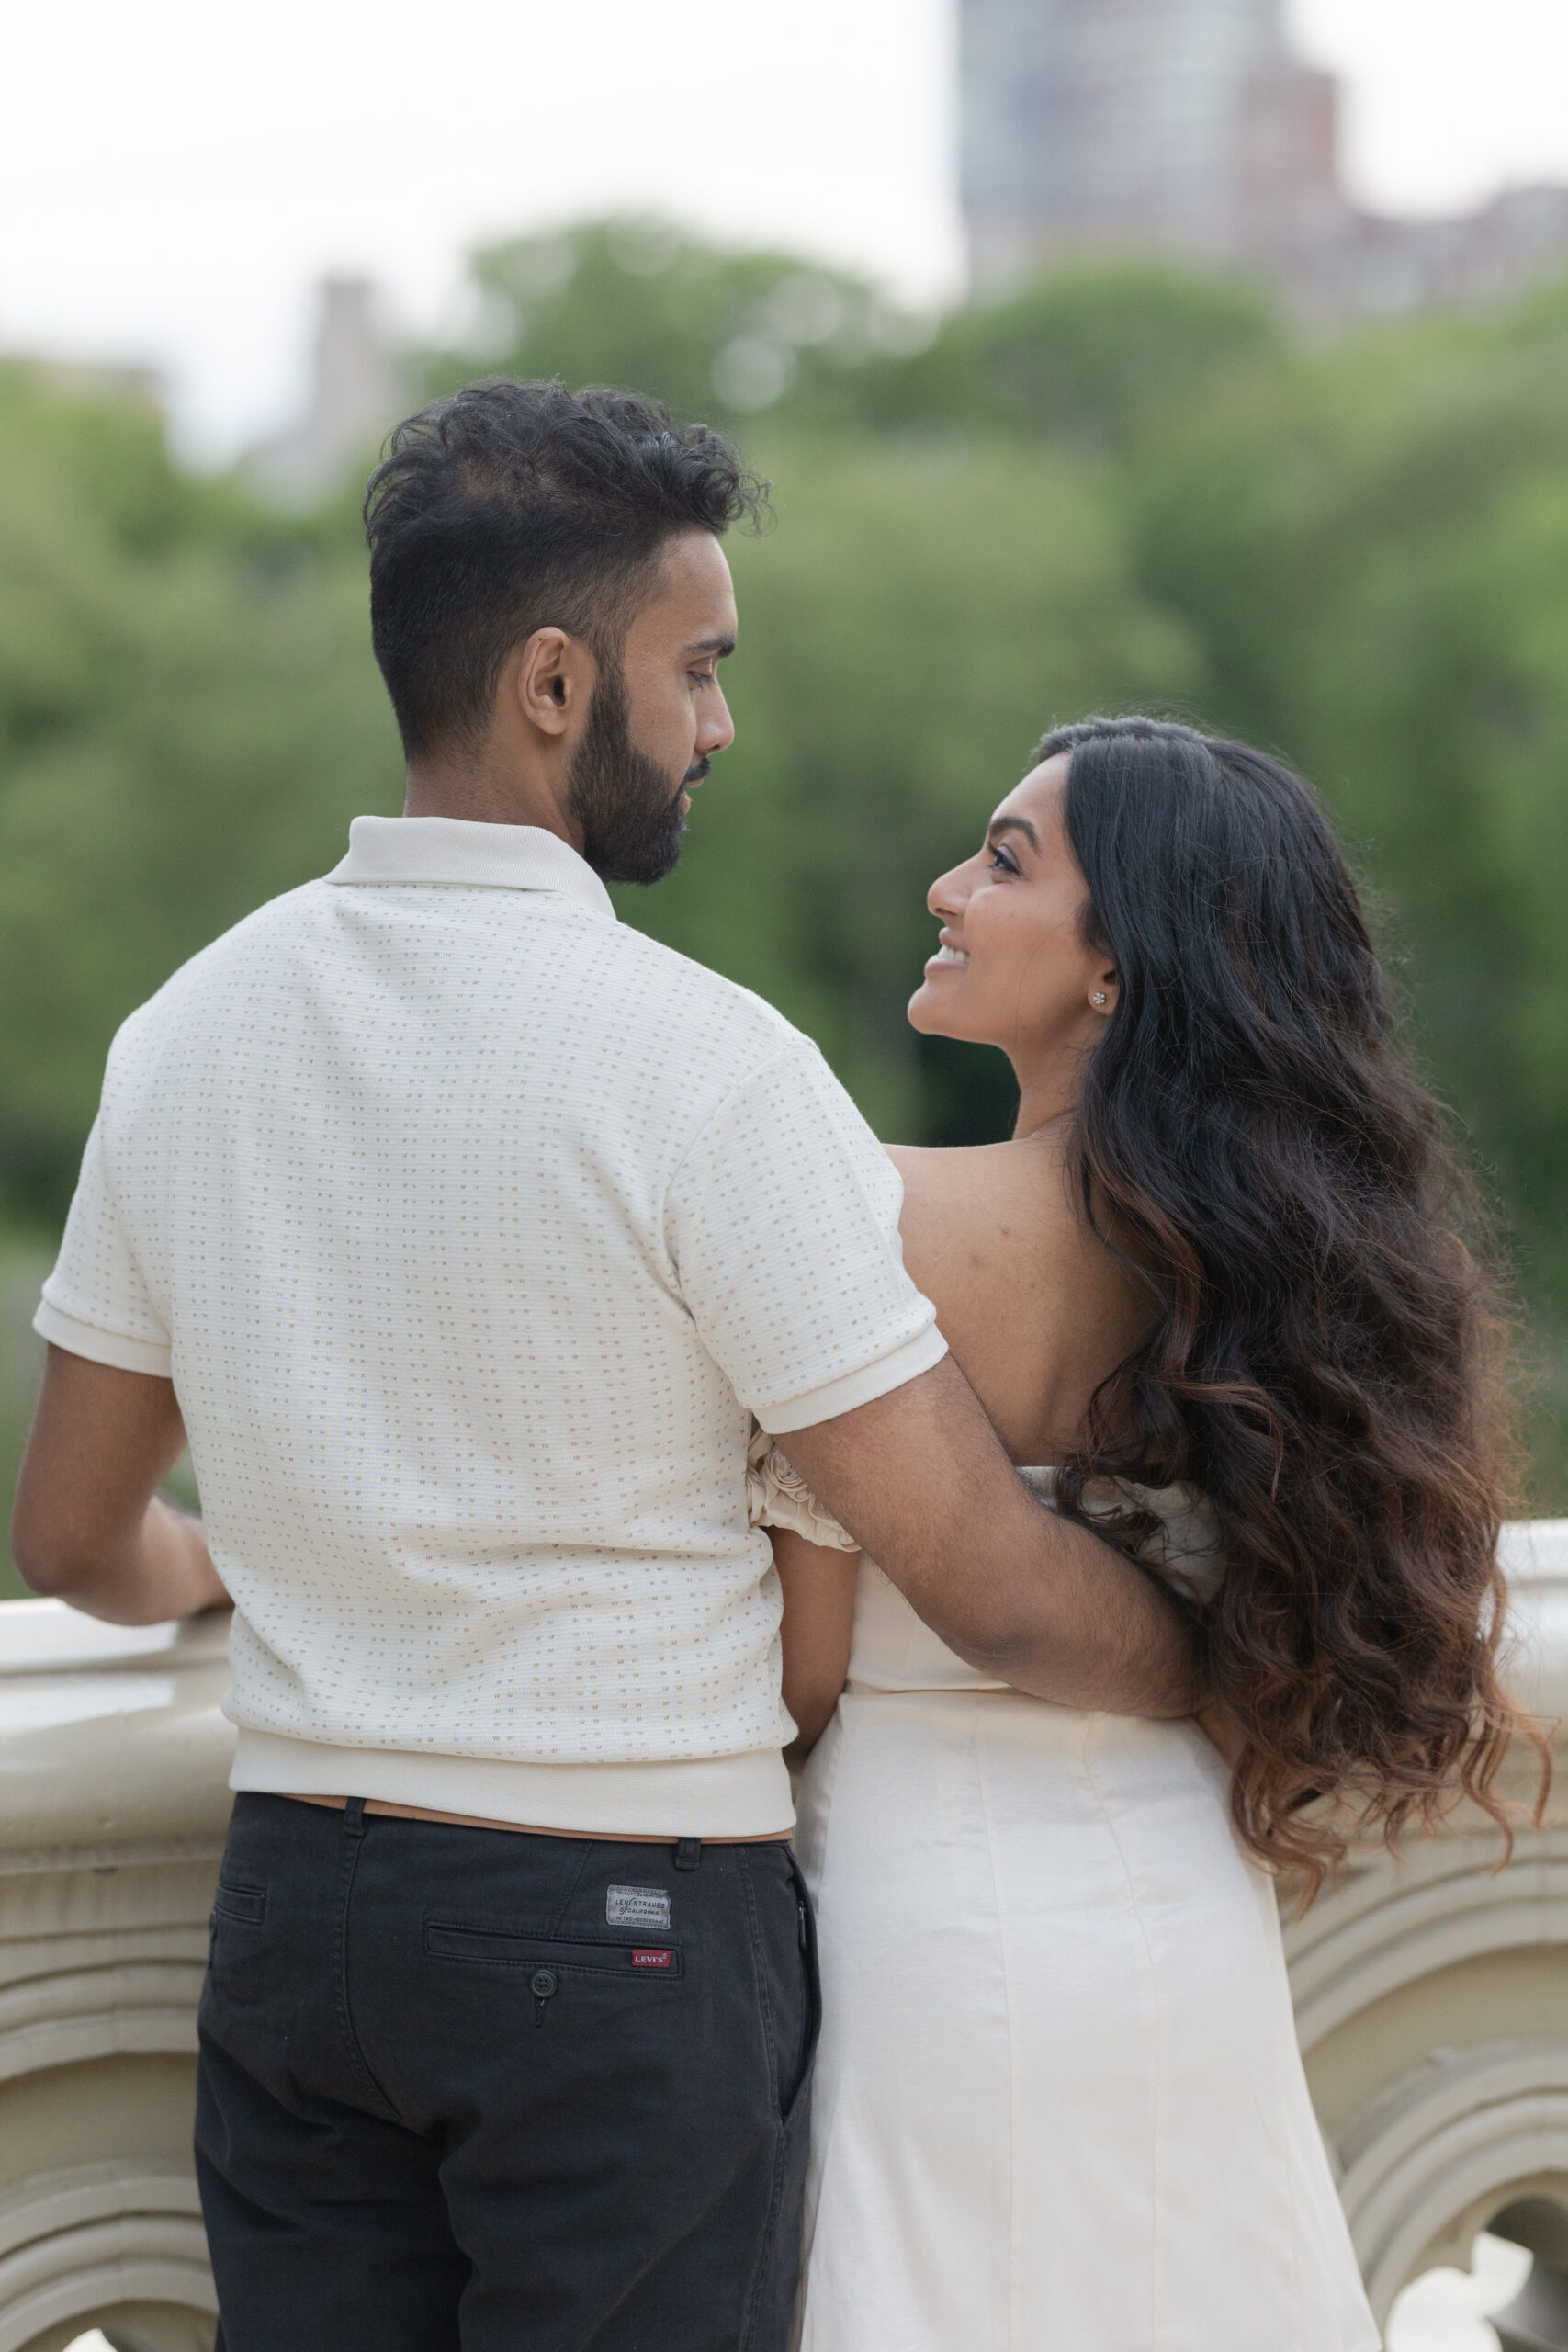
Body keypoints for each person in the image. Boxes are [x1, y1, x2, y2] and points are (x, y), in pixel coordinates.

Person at [9, 389, 1200, 2352]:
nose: (718, 723)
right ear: (557, 682)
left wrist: (220, 1560)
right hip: (617, 1921)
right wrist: (1248, 1667)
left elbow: (70, 1532)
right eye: (698, 666)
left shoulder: (184, 1030)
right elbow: (979, 1574)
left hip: (299, 1909)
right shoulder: (709, 1070)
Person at [761, 717, 1535, 2352]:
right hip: (1185, 1910)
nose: (949, 886)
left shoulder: (874, 1218)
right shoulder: (1302, 1280)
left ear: (1118, 968)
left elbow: (801, 1673)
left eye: (1006, 861)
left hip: (931, 1916)